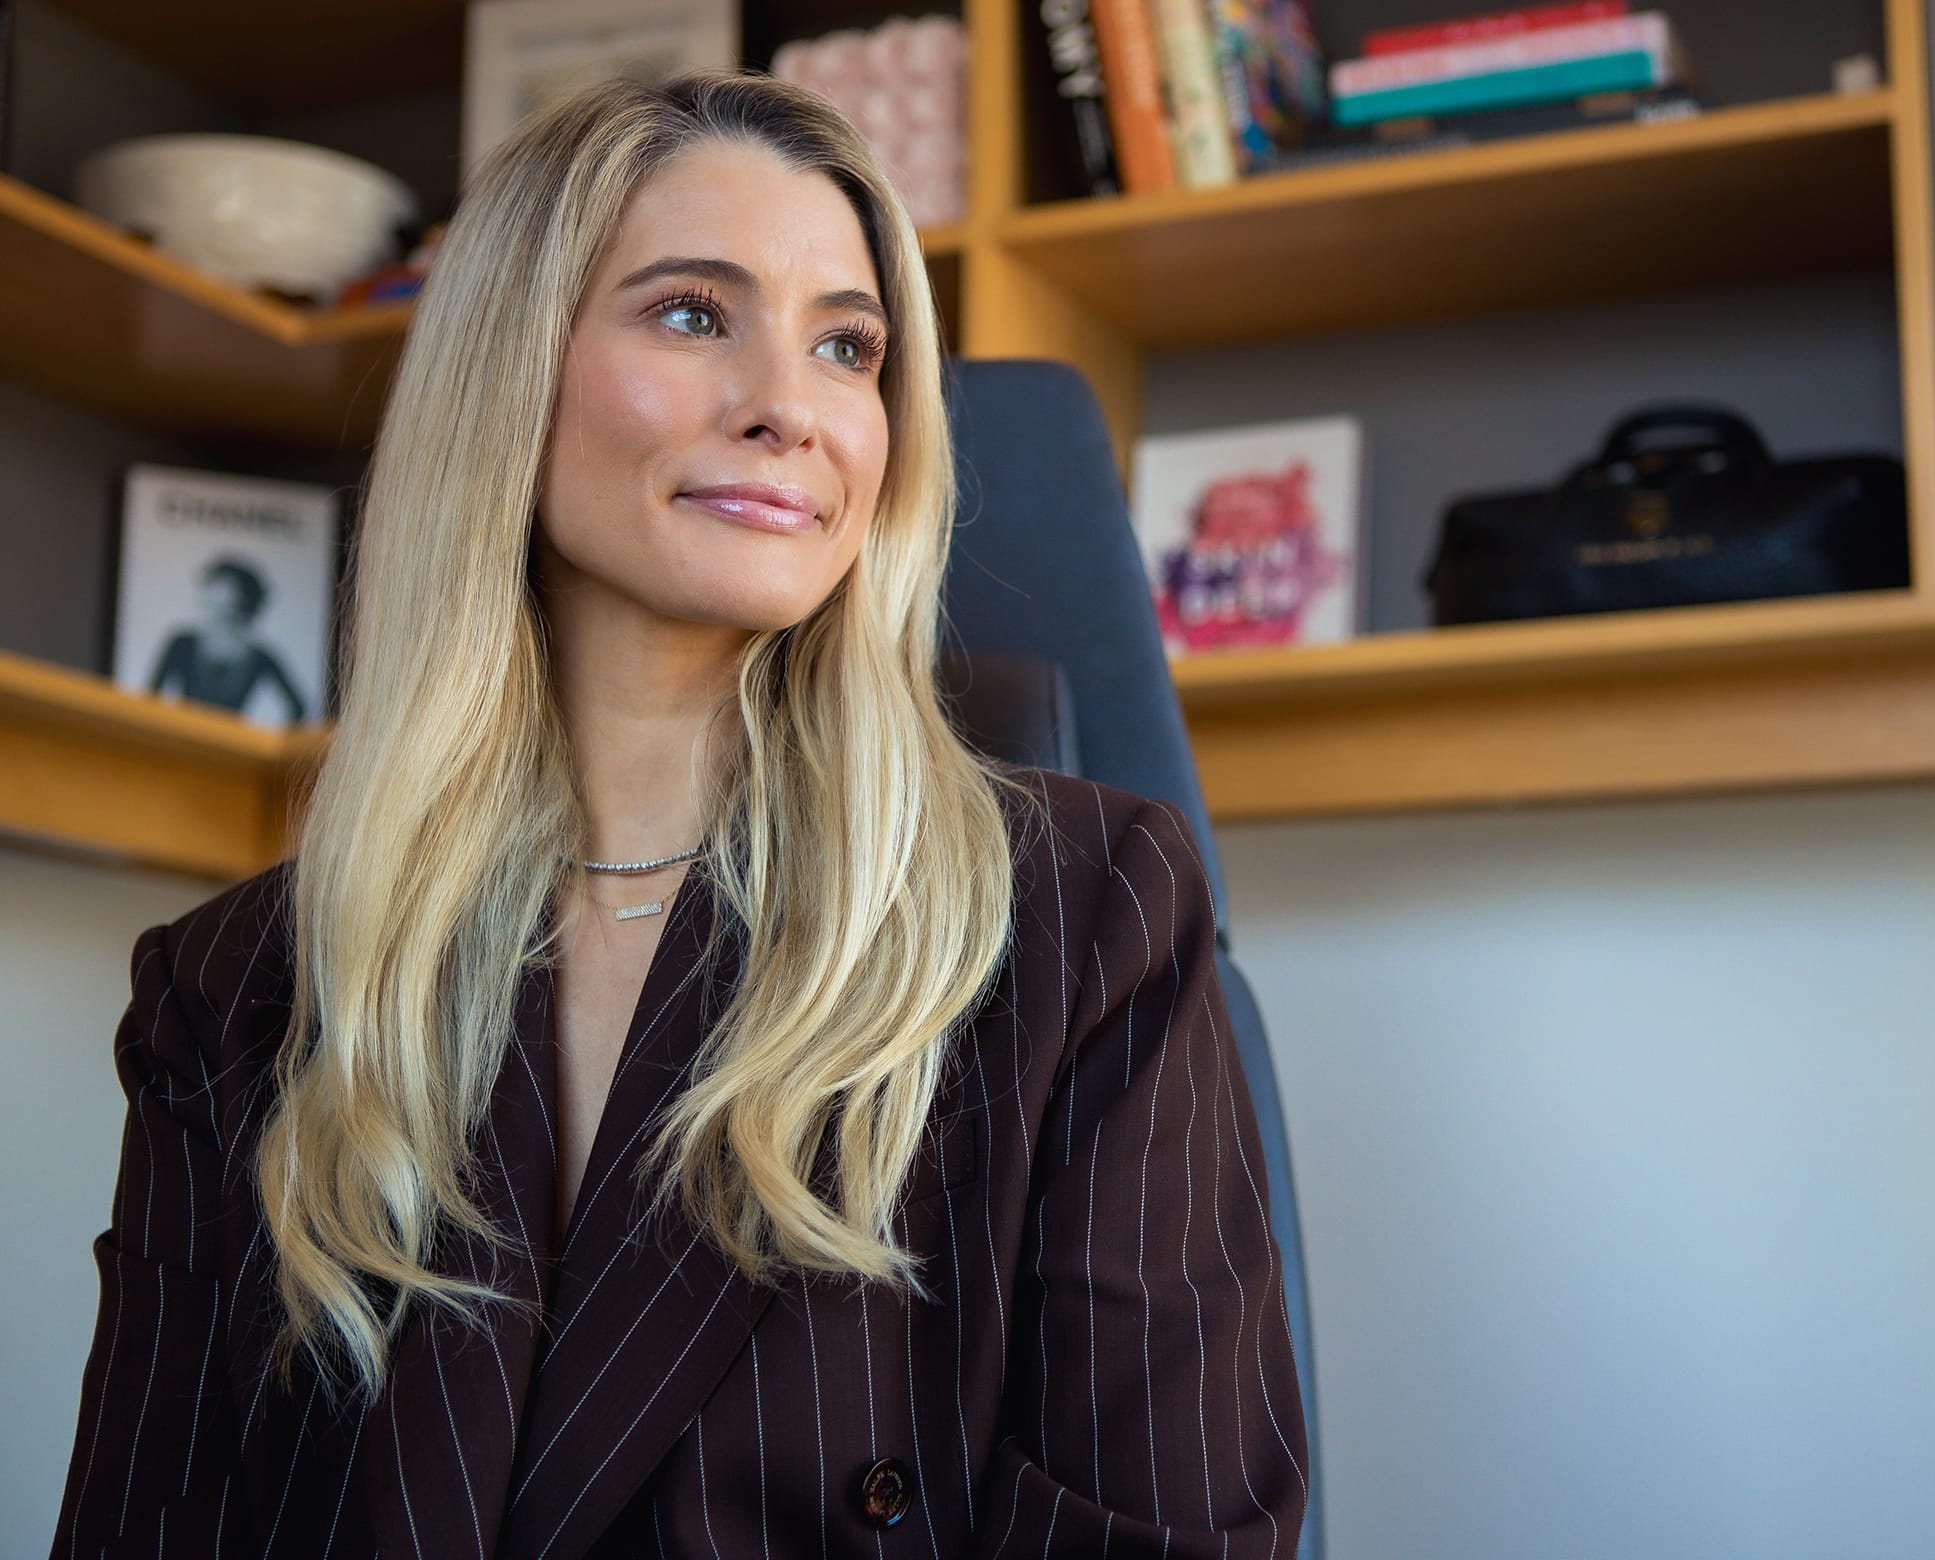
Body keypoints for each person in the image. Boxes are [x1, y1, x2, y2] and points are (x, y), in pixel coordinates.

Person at [52, 69, 1308, 1557]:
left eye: (849, 347)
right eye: (694, 314)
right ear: (508, 378)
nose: (792, 408)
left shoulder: (1092, 913)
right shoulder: (234, 989)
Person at [146, 555, 308, 720]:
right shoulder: (181, 643)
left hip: (230, 743)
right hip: (183, 740)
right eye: (211, 585)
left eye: (222, 586)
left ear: (241, 598)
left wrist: (265, 743)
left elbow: (298, 707)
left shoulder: (261, 657)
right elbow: (150, 699)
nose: (211, 592)